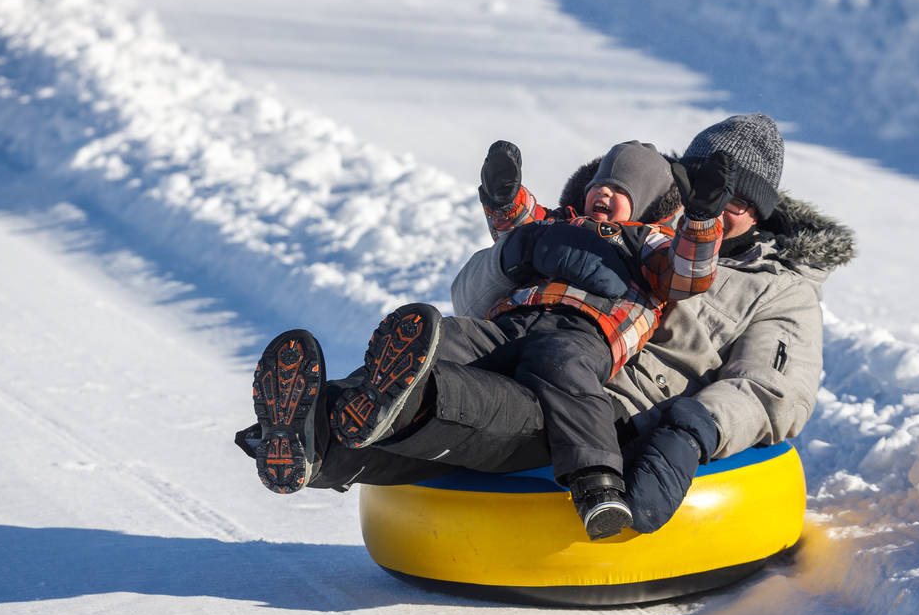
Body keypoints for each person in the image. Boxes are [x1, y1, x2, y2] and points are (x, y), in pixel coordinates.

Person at [236, 113, 856, 535]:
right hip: (522, 343)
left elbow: (771, 391)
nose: (725, 210)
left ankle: (340, 423)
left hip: (604, 410)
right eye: (712, 192)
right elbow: (470, 302)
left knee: (474, 402)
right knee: (437, 354)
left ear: (761, 213)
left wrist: (692, 427)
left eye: (740, 203)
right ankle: (305, 431)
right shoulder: (615, 224)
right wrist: (514, 252)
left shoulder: (778, 287)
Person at [327, 139, 727, 539]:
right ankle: (352, 400)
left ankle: (596, 481)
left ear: (646, 203)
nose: (603, 193)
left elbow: (688, 272)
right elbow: (518, 224)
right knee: (447, 338)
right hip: (510, 323)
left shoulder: (649, 242)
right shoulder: (561, 222)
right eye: (598, 185)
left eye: (620, 189)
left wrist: (701, 218)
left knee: (565, 371)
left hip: (583, 332)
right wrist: (503, 195)